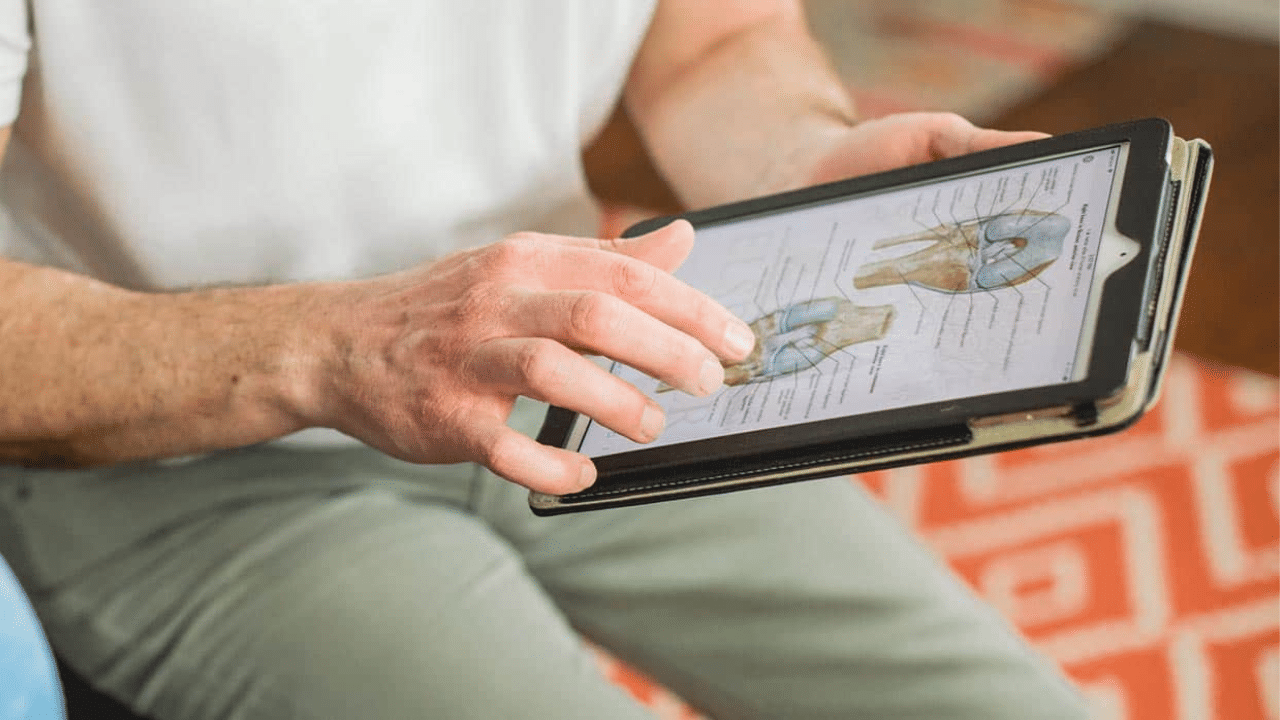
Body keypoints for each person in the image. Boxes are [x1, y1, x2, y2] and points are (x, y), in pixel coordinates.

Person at [0, 1, 1089, 718]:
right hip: (182, 469)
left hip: (578, 356)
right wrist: (340, 345)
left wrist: (802, 155)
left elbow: (710, 34)